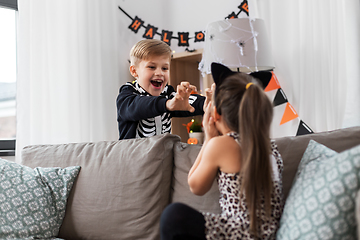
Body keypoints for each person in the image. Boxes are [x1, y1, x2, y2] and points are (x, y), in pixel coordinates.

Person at [160, 62, 283, 240]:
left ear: (215, 114)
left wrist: (209, 138)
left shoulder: (222, 144)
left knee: (174, 216)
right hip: (269, 235)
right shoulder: (270, 147)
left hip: (240, 234)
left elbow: (195, 186)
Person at [116, 39, 206, 140]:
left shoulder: (167, 92)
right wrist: (167, 104)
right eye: (151, 67)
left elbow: (183, 101)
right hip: (133, 154)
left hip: (163, 153)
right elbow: (136, 106)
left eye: (164, 68)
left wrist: (208, 103)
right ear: (134, 71)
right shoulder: (127, 95)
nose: (159, 73)